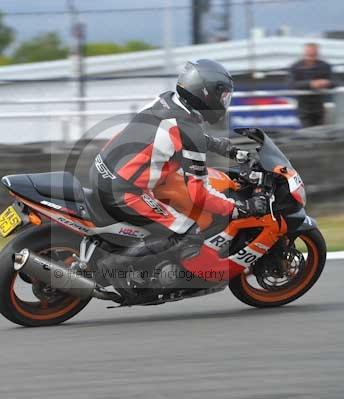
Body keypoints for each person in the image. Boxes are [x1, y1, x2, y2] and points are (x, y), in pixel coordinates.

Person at [90, 59, 268, 266]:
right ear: (206, 93)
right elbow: (200, 195)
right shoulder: (189, 131)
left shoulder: (164, 101)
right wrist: (240, 208)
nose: (224, 102)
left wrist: (225, 149)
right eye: (223, 96)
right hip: (124, 191)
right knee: (188, 232)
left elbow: (179, 133)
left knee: (174, 192)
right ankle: (111, 266)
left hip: (102, 169)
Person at [288, 43, 335, 128]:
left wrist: (326, 83)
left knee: (321, 132)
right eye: (309, 54)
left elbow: (335, 82)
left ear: (317, 54)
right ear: (304, 53)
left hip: (319, 106)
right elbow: (291, 84)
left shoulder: (324, 66)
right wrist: (310, 84)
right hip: (303, 107)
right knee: (307, 132)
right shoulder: (296, 66)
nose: (311, 57)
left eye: (313, 54)